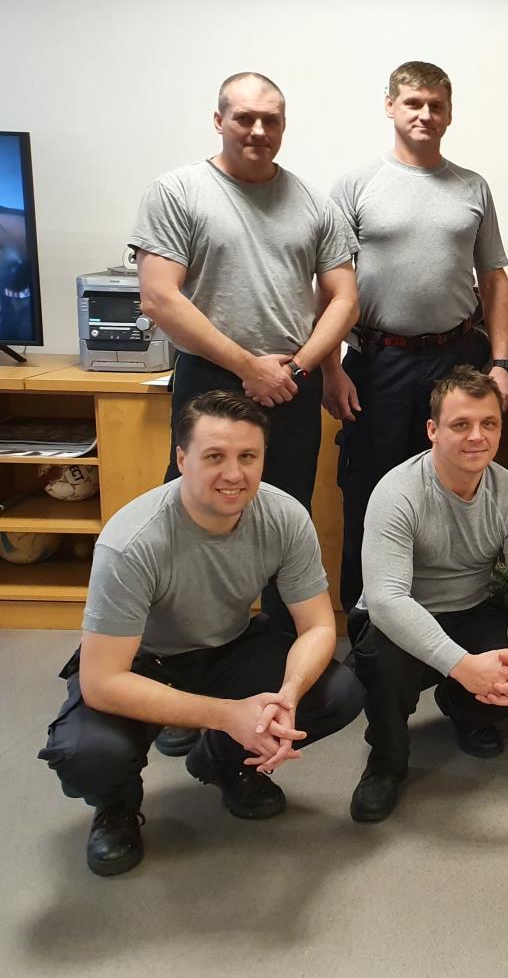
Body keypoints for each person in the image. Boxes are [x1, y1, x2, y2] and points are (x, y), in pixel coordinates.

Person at [37, 391, 364, 876]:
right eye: (214, 457)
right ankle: (116, 806)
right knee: (87, 755)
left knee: (338, 692)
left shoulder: (284, 516)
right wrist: (228, 715)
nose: (233, 474)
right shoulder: (133, 541)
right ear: (182, 459)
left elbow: (317, 625)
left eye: (247, 457)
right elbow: (102, 681)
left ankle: (223, 761)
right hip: (142, 664)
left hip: (228, 648)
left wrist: (288, 695)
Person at [132, 71, 358, 755]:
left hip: (289, 385)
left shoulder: (314, 203)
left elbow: (344, 297)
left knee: (286, 528)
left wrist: (299, 368)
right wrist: (246, 366)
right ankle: (178, 681)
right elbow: (159, 297)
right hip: (211, 382)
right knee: (193, 526)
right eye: (245, 118)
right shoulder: (179, 192)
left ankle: (288, 682)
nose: (259, 130)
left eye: (272, 119)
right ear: (219, 120)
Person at [324, 61, 508, 614]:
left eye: (436, 105)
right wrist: (331, 368)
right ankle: (367, 625)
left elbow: (494, 279)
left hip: (457, 360)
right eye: (413, 102)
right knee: (370, 494)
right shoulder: (356, 185)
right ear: (390, 106)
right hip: (377, 364)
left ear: (449, 114)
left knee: (454, 491)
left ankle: (446, 619)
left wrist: (502, 364)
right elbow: (330, 284)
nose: (424, 114)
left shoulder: (472, 187)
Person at [347, 368, 508, 823]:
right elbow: (387, 600)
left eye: (489, 423)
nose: (477, 436)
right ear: (432, 430)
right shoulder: (397, 492)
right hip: (397, 620)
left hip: (469, 611)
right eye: (461, 424)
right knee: (382, 663)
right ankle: (386, 762)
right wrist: (462, 665)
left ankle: (466, 710)